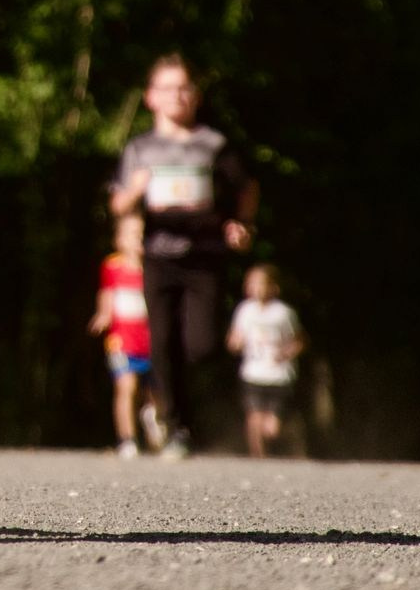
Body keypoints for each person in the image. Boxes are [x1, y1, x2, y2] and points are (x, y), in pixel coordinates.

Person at [109, 53, 257, 459]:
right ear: (150, 97)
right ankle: (175, 426)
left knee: (201, 345)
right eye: (168, 88)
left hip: (204, 256)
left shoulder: (213, 145)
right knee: (162, 343)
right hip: (156, 255)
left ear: (196, 96)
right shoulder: (140, 149)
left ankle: (191, 414)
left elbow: (246, 189)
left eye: (185, 87)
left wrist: (240, 225)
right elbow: (118, 203)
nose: (178, 96)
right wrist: (135, 194)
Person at [86, 211, 162, 458]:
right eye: (132, 234)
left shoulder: (155, 268)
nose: (138, 239)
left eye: (142, 234)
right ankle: (127, 439)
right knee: (125, 386)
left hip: (150, 339)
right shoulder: (112, 266)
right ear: (118, 239)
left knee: (155, 391)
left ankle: (154, 421)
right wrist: (103, 314)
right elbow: (106, 293)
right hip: (121, 339)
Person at [229, 263, 304, 458]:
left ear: (273, 287)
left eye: (261, 283)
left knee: (272, 427)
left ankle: (280, 447)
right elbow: (234, 338)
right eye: (251, 283)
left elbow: (299, 340)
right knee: (254, 416)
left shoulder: (283, 313)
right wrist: (235, 343)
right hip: (253, 372)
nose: (256, 288)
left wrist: (286, 353)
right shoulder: (244, 310)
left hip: (279, 375)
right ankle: (258, 457)